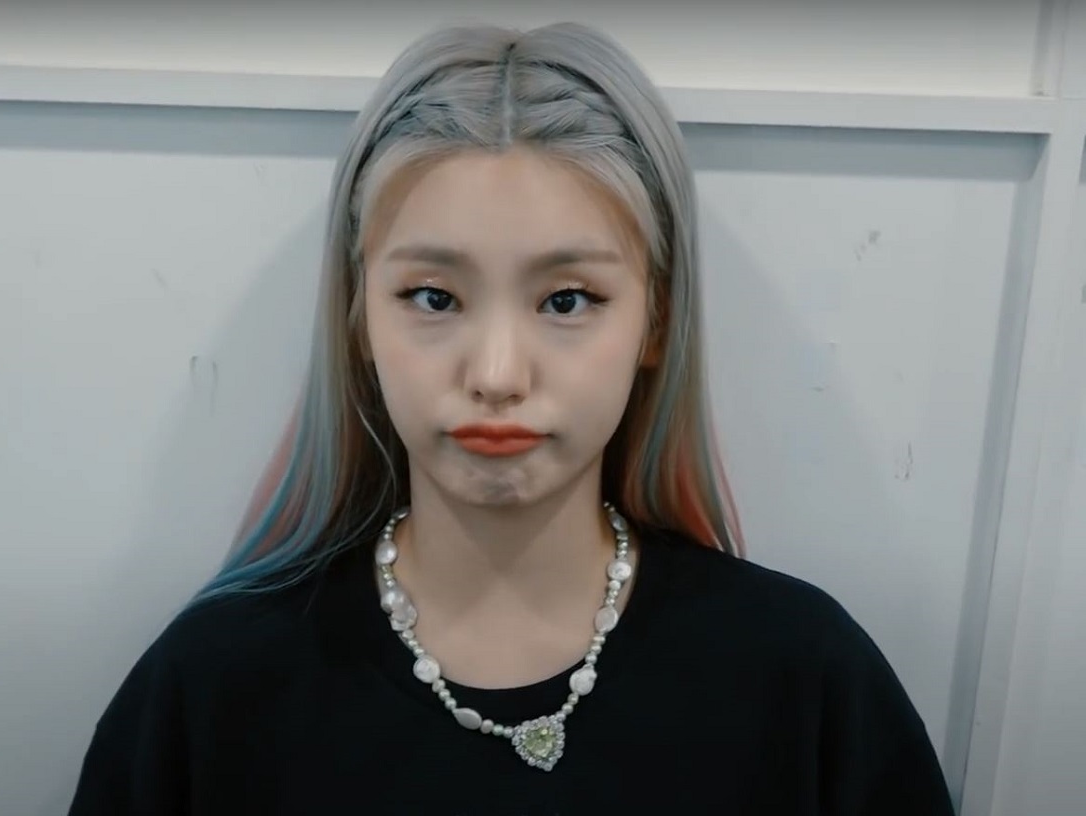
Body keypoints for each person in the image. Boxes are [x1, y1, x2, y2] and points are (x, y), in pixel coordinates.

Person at [67, 21, 955, 815]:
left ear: (655, 319)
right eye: (433, 296)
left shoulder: (806, 682)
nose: (496, 375)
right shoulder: (211, 690)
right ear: (357, 317)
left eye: (566, 300)